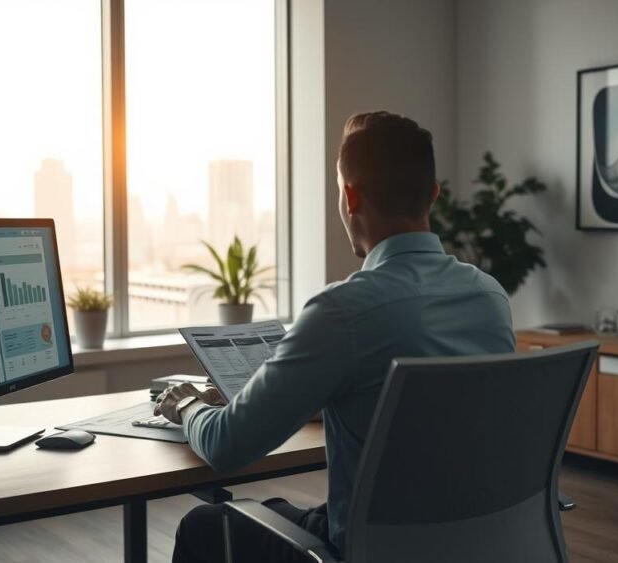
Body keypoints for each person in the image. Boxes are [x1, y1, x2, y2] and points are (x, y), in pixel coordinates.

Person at [156, 111, 515, 562]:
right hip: (472, 543)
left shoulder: (344, 311)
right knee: (282, 512)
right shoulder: (489, 297)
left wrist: (186, 405)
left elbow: (227, 446)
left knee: (204, 525)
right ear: (433, 193)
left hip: (371, 549)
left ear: (349, 196)